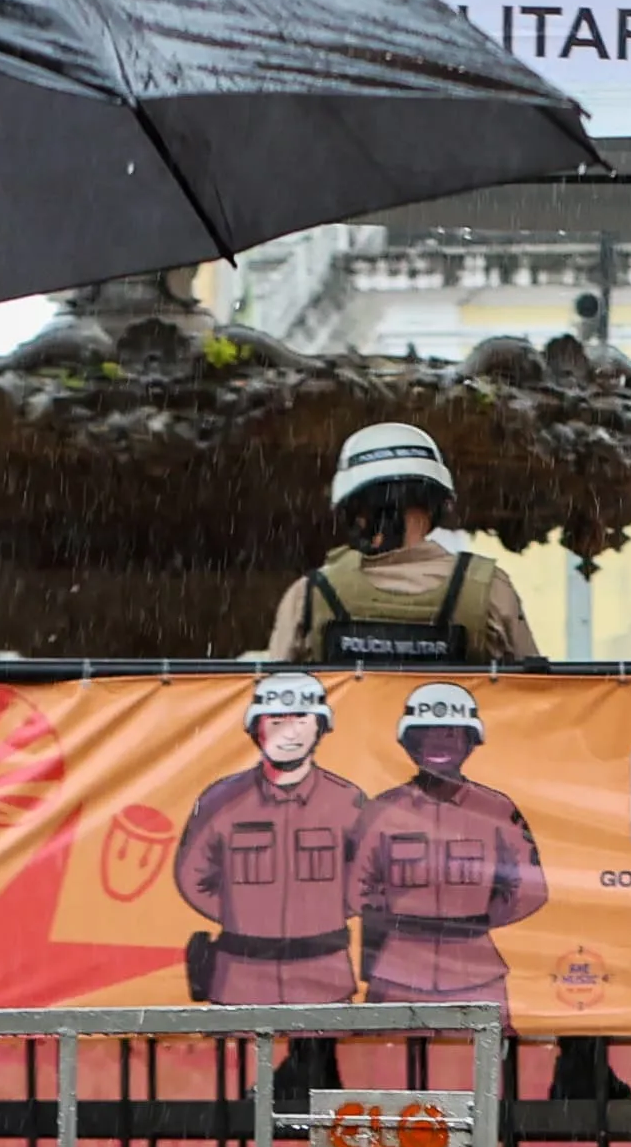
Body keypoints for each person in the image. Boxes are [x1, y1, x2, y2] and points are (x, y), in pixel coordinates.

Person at [267, 422, 545, 670]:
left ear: (357, 512)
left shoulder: (310, 596)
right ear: (434, 505)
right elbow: (537, 694)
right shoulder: (490, 589)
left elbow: (270, 700)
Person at [350, 680, 548, 1015]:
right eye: (424, 735)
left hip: (475, 971)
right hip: (398, 972)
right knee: (389, 1062)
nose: (437, 744)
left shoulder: (497, 810)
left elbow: (530, 888)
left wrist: (474, 921)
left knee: (486, 1062)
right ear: (409, 744)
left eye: (451, 734)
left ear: (470, 742)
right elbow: (355, 886)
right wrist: (403, 919)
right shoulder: (381, 811)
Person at [171, 670, 366, 1005]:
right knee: (240, 1059)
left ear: (320, 727)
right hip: (241, 980)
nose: (289, 733)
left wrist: (323, 912)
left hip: (324, 978)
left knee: (319, 1059)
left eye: (302, 720)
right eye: (276, 721)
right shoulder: (222, 800)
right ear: (256, 729)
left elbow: (369, 874)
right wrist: (245, 914)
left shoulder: (347, 800)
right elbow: (192, 877)